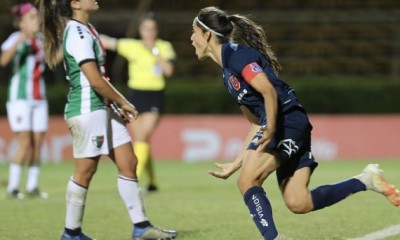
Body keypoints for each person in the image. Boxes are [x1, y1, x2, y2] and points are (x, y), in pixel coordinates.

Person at [190, 6, 400, 240]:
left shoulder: (236, 55)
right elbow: (254, 123)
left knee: (248, 181)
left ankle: (273, 238)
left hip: (286, 121)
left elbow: (269, 91)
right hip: (282, 123)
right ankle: (366, 180)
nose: (191, 38)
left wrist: (270, 128)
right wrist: (237, 162)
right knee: (298, 202)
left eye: (194, 32)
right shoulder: (227, 73)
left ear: (207, 35)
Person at [38, 0, 177, 239]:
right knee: (85, 171)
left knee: (129, 162)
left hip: (102, 108)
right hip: (87, 109)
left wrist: (113, 104)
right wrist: (123, 101)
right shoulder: (78, 33)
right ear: (75, 4)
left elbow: (100, 77)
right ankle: (71, 233)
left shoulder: (88, 28)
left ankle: (141, 227)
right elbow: (95, 80)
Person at [100, 15, 176, 192]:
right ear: (140, 31)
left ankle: (133, 180)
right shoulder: (132, 46)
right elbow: (108, 42)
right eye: (146, 29)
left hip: (154, 95)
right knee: (142, 138)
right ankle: (152, 181)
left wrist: (155, 52)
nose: (149, 33)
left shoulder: (164, 47)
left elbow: (168, 71)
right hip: (135, 96)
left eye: (152, 29)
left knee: (142, 137)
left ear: (156, 31)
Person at [0, 2, 48, 200]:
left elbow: (53, 59)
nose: (36, 20)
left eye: (36, 17)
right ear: (21, 22)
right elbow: (4, 60)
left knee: (37, 143)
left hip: (39, 98)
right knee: (25, 142)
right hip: (19, 98)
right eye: (31, 17)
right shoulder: (15, 38)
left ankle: (32, 186)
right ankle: (12, 187)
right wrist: (22, 37)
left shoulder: (41, 40)